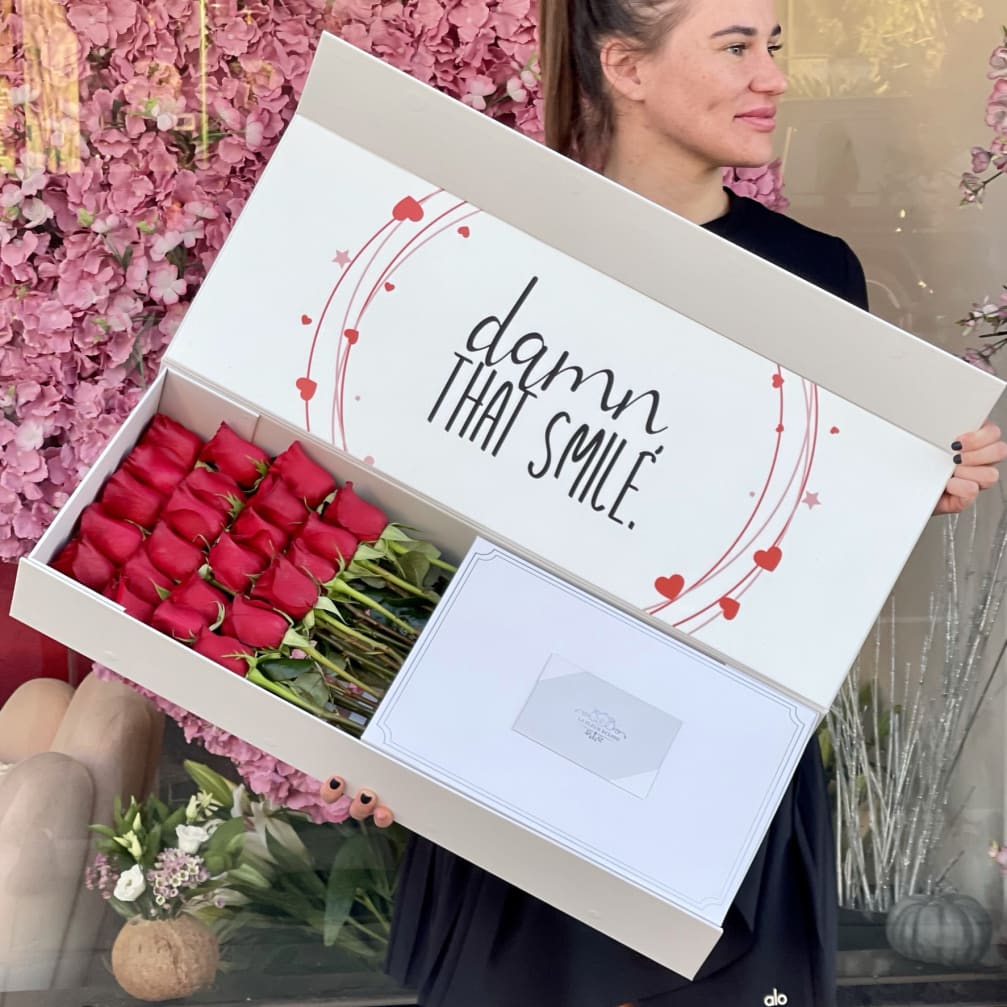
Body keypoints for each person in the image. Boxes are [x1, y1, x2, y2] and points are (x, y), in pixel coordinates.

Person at [322, 2, 1007, 1004]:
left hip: (722, 768)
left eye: (774, 46)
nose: (771, 76)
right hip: (507, 747)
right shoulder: (495, 243)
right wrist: (357, 715)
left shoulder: (814, 276)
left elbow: (800, 555)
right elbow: (417, 515)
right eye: (734, 46)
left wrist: (908, 485)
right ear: (623, 66)